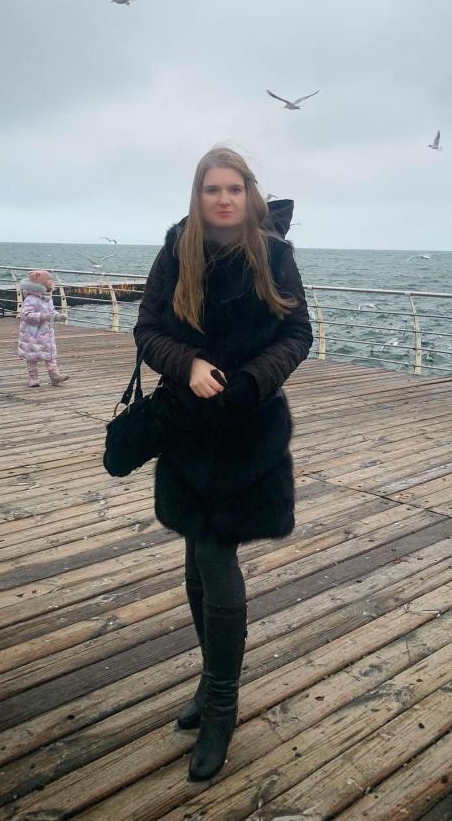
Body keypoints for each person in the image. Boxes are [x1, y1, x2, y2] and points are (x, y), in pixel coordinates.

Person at [133, 146, 313, 781]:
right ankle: (212, 682)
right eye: (213, 189)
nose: (224, 199)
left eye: (234, 188)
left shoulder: (275, 256)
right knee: (195, 559)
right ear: (198, 194)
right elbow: (148, 329)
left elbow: (298, 335)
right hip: (186, 427)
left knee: (213, 555)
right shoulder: (176, 251)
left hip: (248, 430)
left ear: (249, 193)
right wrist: (187, 364)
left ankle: (220, 708)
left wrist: (252, 381)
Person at [17, 269, 69, 388]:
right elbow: (26, 315)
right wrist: (44, 316)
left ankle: (54, 376)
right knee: (31, 356)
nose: (51, 281)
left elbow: (51, 312)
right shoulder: (30, 299)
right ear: (41, 283)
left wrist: (57, 316)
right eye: (48, 279)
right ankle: (33, 378)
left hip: (46, 332)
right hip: (31, 333)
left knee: (50, 355)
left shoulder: (47, 298)